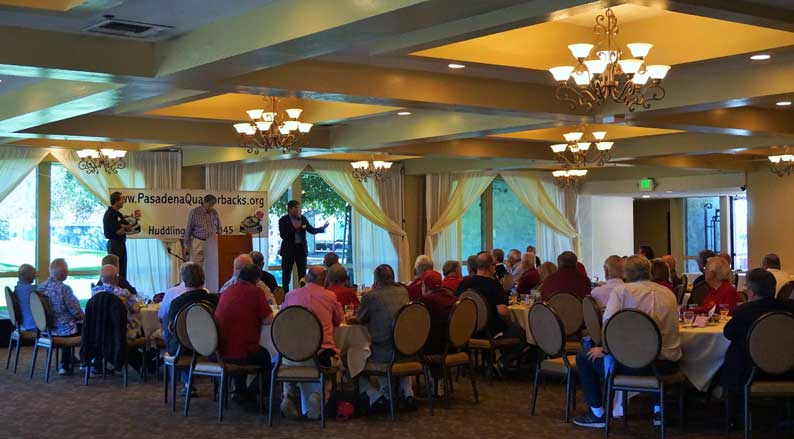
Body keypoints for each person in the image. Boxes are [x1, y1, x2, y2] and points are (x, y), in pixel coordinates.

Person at [573, 255, 681, 428]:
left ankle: (598, 413)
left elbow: (610, 326)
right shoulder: (668, 293)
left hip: (634, 365)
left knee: (584, 357)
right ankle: (658, 409)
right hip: (667, 364)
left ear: (625, 273)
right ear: (649, 271)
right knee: (652, 351)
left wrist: (605, 349)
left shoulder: (622, 292)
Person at [721, 268, 794, 417]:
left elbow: (728, 333)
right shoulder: (790, 308)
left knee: (735, 350)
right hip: (789, 370)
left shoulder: (743, 311)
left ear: (752, 291)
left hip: (752, 373)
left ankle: (737, 417)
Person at [280, 265, 343, 419]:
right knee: (339, 363)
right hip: (319, 356)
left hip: (291, 356)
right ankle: (320, 395)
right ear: (325, 280)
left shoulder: (290, 295)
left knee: (285, 359)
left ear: (306, 278)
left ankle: (289, 396)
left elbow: (281, 319)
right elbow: (339, 319)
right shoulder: (330, 296)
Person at [354, 264, 413, 411]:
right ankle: (407, 393)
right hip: (407, 350)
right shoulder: (403, 291)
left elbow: (360, 319)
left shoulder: (371, 296)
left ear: (376, 279)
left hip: (384, 353)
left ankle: (377, 396)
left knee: (353, 356)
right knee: (393, 342)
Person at [215, 264, 274, 401]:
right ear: (257, 280)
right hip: (242, 351)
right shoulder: (256, 292)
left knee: (241, 342)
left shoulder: (227, 290)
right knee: (269, 357)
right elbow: (268, 319)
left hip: (220, 349)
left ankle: (241, 389)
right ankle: (256, 391)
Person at [162, 262, 214, 396]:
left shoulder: (176, 302)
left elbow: (161, 316)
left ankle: (187, 383)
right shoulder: (214, 300)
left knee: (170, 325)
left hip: (184, 349)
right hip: (211, 347)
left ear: (183, 280)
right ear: (203, 278)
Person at [39, 258, 84, 375]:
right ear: (63, 273)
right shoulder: (65, 289)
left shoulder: (40, 288)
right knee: (87, 327)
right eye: (67, 271)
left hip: (46, 329)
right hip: (64, 331)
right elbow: (76, 311)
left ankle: (69, 359)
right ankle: (70, 363)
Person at [278, 200, 328, 292]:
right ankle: (286, 295)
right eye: (295, 208)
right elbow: (283, 235)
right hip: (288, 250)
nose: (298, 210)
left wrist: (322, 228)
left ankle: (302, 293)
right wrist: (295, 228)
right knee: (286, 275)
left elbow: (311, 230)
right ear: (289, 209)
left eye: (298, 208)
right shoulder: (283, 220)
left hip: (300, 250)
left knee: (302, 273)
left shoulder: (303, 219)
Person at [91, 264, 142, 338]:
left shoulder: (94, 293)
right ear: (115, 278)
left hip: (100, 331)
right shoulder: (123, 293)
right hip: (122, 331)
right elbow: (136, 308)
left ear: (101, 279)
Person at [417, 271, 457, 356]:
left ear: (424, 285)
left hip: (434, 350)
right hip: (455, 346)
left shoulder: (425, 302)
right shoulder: (454, 299)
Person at [183, 194, 221, 267]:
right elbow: (188, 229)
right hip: (198, 242)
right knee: (197, 265)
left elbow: (219, 227)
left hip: (212, 242)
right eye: (210, 204)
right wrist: (186, 246)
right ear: (204, 202)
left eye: (213, 205)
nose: (211, 207)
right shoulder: (194, 212)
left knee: (211, 266)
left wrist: (219, 240)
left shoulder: (214, 212)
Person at [103, 191, 131, 279]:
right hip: (114, 244)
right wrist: (123, 227)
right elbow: (119, 231)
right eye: (122, 199)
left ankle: (122, 289)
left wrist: (124, 226)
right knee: (114, 271)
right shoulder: (110, 214)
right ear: (116, 201)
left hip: (121, 243)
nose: (124, 201)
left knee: (122, 271)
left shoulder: (118, 214)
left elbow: (129, 227)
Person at [14, 264, 38, 331]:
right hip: (34, 325)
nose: (35, 276)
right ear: (27, 275)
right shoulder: (34, 290)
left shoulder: (16, 289)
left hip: (21, 326)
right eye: (33, 274)